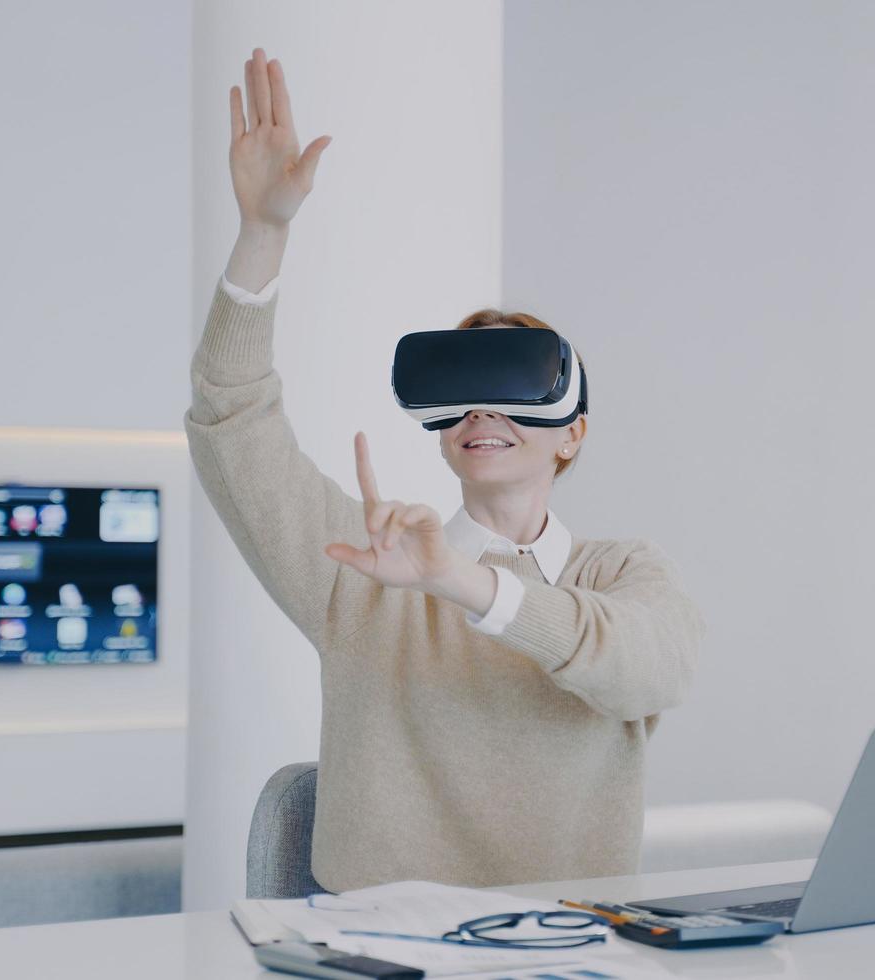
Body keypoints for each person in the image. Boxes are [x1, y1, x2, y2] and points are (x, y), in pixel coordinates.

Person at [185, 47, 707, 892]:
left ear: (571, 435)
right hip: (386, 954)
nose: (482, 415)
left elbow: (647, 671)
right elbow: (230, 423)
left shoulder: (622, 575)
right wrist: (262, 235)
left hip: (572, 949)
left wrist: (465, 584)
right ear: (440, 430)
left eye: (511, 391)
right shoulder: (365, 566)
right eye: (461, 396)